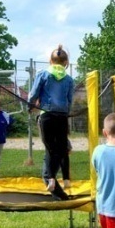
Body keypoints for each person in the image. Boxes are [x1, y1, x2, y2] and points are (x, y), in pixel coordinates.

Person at [28, 45, 75, 195]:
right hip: (61, 116)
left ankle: (51, 178)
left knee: (50, 149)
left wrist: (30, 105)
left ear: (50, 60)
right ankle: (66, 178)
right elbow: (69, 99)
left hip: (47, 114)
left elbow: (34, 93)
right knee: (61, 147)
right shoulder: (68, 79)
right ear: (66, 62)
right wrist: (66, 112)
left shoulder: (43, 74)